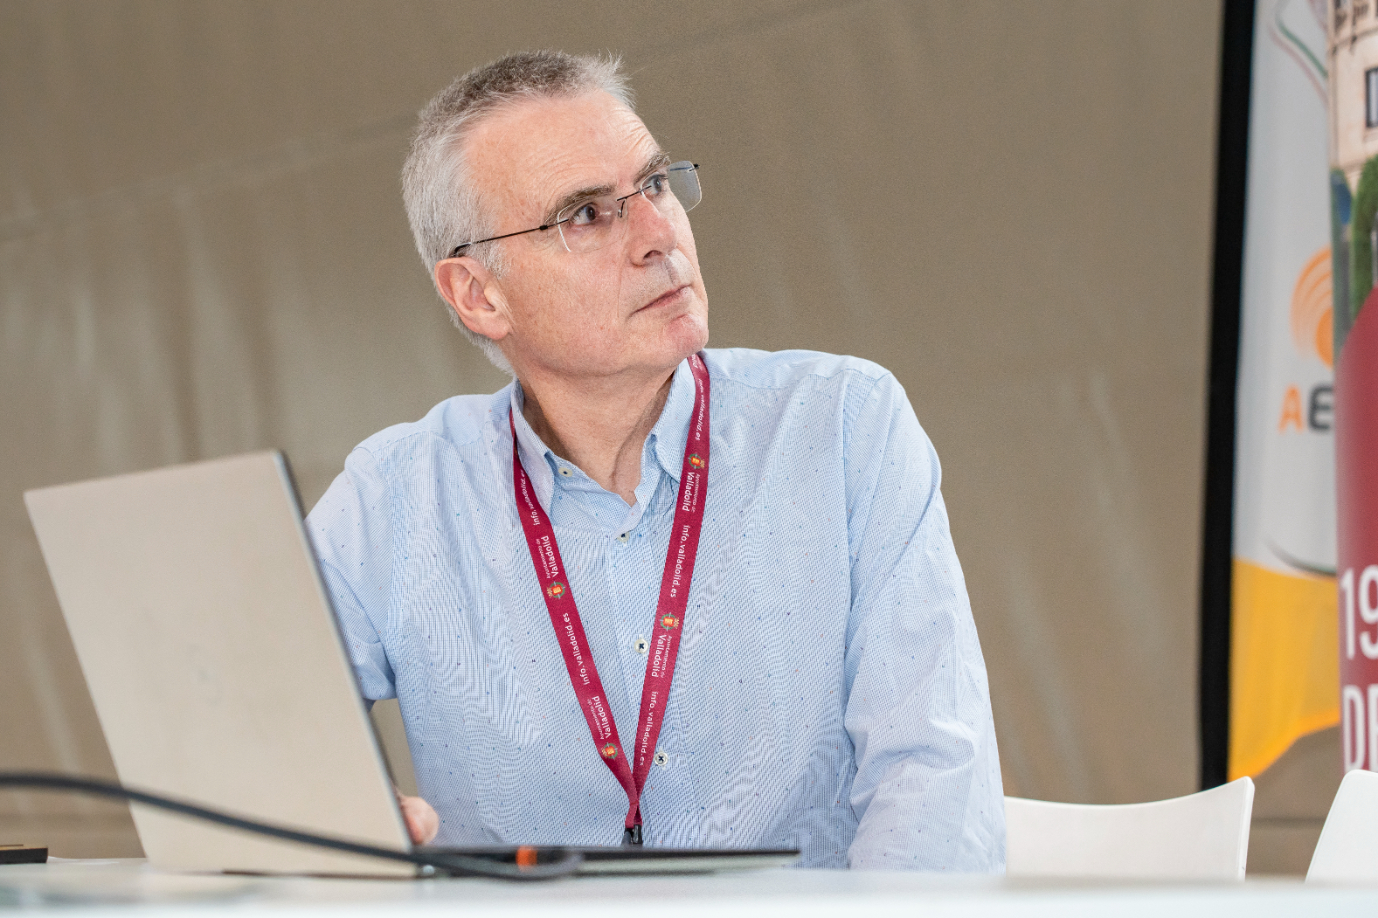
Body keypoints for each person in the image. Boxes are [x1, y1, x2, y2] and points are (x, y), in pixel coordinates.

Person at [307, 50, 1004, 871]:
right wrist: (323, 809)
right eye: (585, 215)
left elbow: (933, 781)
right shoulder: (394, 496)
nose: (657, 235)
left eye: (655, 185)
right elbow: (244, 729)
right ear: (478, 294)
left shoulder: (844, 426)